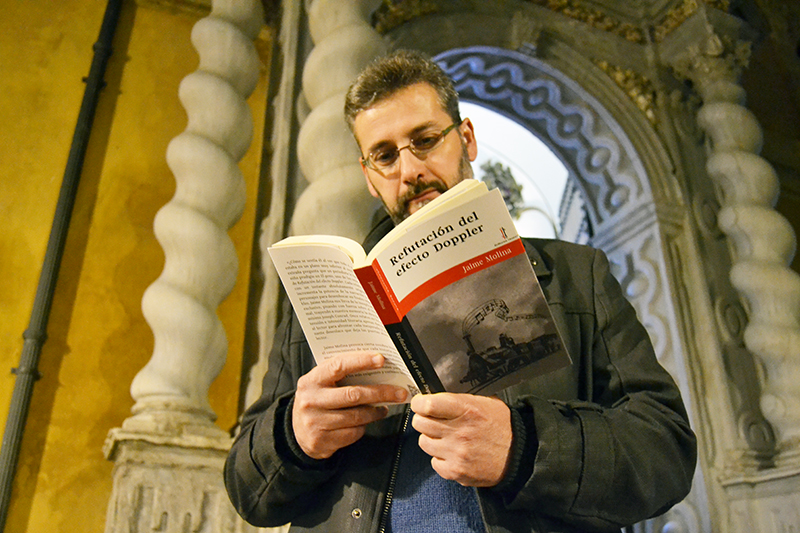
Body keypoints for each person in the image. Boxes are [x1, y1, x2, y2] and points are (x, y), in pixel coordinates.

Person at [224, 49, 697, 533]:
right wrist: (294, 436)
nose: (410, 171)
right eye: (384, 155)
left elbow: (666, 451)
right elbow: (247, 490)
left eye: (425, 140)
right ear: (368, 176)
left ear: (465, 139)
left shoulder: (577, 276)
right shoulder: (321, 300)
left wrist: (524, 448)